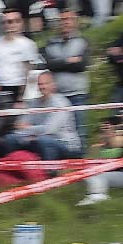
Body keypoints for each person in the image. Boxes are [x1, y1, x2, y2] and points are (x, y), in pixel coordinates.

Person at [4, 71, 82, 162]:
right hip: (36, 138)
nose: (42, 87)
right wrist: (29, 132)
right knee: (11, 138)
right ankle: (14, 170)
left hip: (65, 143)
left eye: (46, 83)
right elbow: (20, 125)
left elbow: (50, 130)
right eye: (40, 84)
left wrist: (29, 129)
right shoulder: (33, 103)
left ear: (53, 85)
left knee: (44, 141)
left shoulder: (60, 102)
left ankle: (50, 173)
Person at [40, 7, 91, 147]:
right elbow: (49, 64)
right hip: (57, 96)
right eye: (63, 19)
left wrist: (60, 62)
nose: (66, 22)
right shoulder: (51, 43)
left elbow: (82, 65)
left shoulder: (83, 41)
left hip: (77, 95)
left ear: (75, 21)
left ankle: (82, 162)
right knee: (55, 132)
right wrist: (69, 61)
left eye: (69, 19)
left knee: (80, 131)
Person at [0, 8, 40, 102]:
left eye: (15, 22)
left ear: (21, 23)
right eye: (6, 22)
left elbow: (29, 73)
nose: (10, 25)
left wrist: (20, 98)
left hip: (17, 90)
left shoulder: (28, 44)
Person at [77, 116, 123, 206]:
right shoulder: (99, 148)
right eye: (101, 131)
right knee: (86, 175)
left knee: (95, 174)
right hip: (116, 174)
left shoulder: (118, 141)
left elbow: (116, 142)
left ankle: (98, 196)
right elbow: (89, 163)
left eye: (106, 128)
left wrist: (109, 134)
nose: (103, 133)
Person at [109, 31, 123, 103]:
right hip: (121, 85)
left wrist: (120, 52)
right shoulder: (120, 40)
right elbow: (112, 57)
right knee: (115, 111)